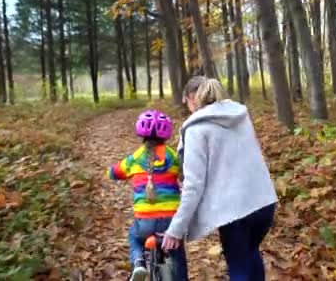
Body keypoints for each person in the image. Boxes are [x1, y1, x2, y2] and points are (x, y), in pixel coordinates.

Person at [161, 76, 278, 281]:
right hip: (264, 201)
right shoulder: (240, 116)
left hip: (235, 211)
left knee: (239, 266)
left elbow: (193, 186)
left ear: (191, 98)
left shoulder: (197, 129)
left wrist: (175, 230)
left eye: (186, 102)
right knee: (250, 253)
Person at [107, 110, 188, 281]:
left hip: (145, 223)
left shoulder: (135, 158)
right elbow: (183, 176)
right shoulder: (172, 156)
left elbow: (114, 173)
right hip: (171, 222)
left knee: (133, 236)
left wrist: (114, 172)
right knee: (177, 250)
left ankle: (138, 264)